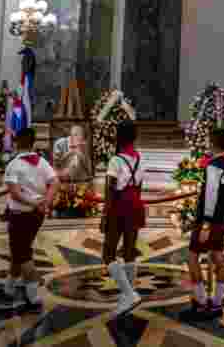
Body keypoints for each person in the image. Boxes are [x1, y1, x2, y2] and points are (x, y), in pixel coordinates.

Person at [0, 128, 58, 310]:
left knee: (23, 254)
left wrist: (32, 202)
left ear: (16, 142)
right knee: (19, 251)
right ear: (33, 142)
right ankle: (8, 288)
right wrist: (46, 202)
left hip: (21, 215)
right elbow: (55, 182)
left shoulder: (14, 165)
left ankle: (33, 298)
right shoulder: (42, 163)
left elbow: (14, 192)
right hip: (37, 215)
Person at [184, 127, 224, 320]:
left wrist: (205, 224)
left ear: (212, 142)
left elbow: (211, 195)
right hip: (222, 219)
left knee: (192, 258)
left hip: (209, 220)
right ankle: (216, 302)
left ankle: (200, 302)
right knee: (218, 257)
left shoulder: (214, 165)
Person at [101, 119, 144, 316]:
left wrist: (105, 215)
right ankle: (129, 296)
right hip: (135, 206)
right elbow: (139, 187)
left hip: (119, 207)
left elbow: (110, 189)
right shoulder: (140, 158)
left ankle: (129, 294)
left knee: (108, 253)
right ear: (134, 137)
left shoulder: (115, 161)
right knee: (129, 251)